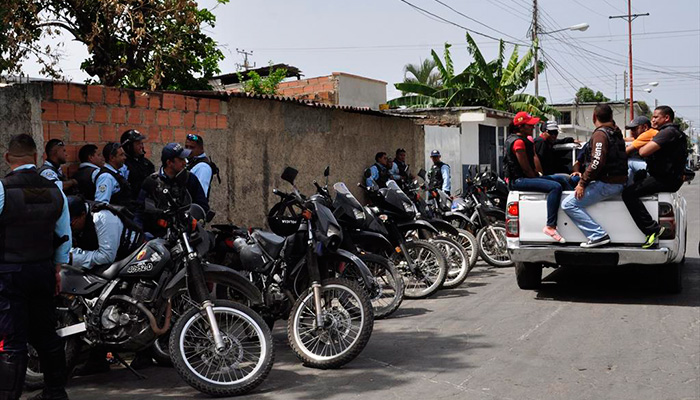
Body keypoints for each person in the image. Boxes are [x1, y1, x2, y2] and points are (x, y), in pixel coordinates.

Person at [0, 134, 71, 400]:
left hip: (9, 274)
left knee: (12, 340)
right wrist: (57, 270)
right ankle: (55, 392)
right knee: (46, 335)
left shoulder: (2, 189)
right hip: (43, 271)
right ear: (36, 156)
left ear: (8, 158)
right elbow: (64, 235)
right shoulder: (56, 190)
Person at [561, 104, 629, 248]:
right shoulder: (615, 133)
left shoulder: (600, 134)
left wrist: (582, 183)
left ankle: (597, 235)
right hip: (618, 182)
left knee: (568, 204)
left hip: (607, 183)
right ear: (611, 117)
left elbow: (596, 162)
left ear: (594, 117)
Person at [622, 105, 688, 248]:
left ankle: (652, 229)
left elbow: (644, 152)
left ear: (666, 118)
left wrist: (642, 145)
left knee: (628, 194)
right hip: (668, 177)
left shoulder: (667, 133)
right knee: (639, 177)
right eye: (652, 117)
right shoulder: (673, 132)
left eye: (656, 117)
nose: (653, 120)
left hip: (665, 179)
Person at [503, 112, 566, 243]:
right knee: (555, 187)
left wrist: (540, 177)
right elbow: (526, 168)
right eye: (529, 125)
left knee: (562, 179)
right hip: (519, 181)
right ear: (521, 127)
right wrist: (538, 178)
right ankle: (550, 226)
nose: (532, 128)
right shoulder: (518, 142)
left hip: (526, 178)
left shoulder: (522, 140)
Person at [135, 143, 209, 238]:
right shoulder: (151, 182)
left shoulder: (190, 179)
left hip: (185, 235)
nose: (185, 162)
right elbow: (139, 212)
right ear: (169, 163)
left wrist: (192, 219)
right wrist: (139, 234)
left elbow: (202, 205)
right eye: (181, 159)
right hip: (157, 236)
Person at [120, 129, 155, 199]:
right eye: (138, 144)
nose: (141, 146)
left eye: (141, 143)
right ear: (128, 146)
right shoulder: (123, 165)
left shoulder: (146, 163)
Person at [624, 116, 658, 186]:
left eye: (634, 129)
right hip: (659, 169)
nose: (632, 132)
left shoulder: (647, 134)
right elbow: (631, 139)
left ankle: (628, 189)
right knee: (631, 169)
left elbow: (626, 151)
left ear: (645, 127)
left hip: (656, 171)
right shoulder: (651, 133)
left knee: (629, 162)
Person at [94, 143, 131, 207]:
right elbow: (101, 204)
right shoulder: (106, 177)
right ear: (112, 158)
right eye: (121, 155)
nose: (124, 157)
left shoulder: (116, 173)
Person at [184, 133, 219, 199]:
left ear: (201, 149)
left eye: (192, 147)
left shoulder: (203, 167)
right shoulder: (189, 161)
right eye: (186, 147)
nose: (188, 150)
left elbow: (200, 195)